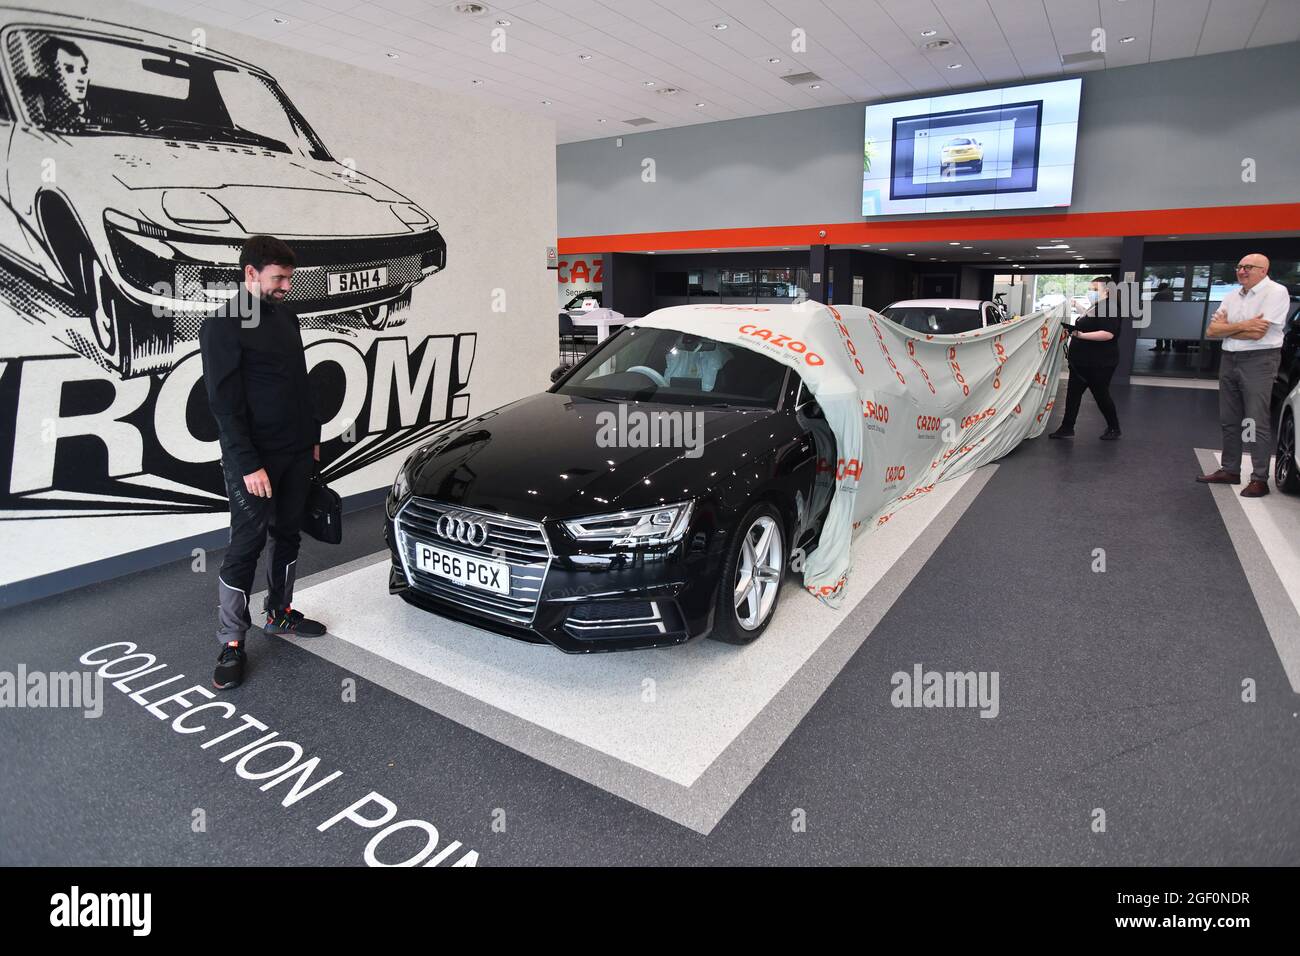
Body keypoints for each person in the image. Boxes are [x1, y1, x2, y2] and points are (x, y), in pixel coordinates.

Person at [200, 236, 327, 691]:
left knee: (288, 534)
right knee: (246, 545)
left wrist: (312, 437)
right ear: (250, 273)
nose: (286, 286)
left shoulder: (286, 316)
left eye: (288, 277)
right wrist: (248, 463)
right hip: (253, 461)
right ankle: (232, 640)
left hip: (295, 450)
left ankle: (279, 612)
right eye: (278, 278)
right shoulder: (222, 326)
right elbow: (224, 405)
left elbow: (300, 382)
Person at [1196, 253, 1290, 497]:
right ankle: (1230, 469)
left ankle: (1259, 478)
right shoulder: (1232, 295)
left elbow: (1259, 333)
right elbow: (1212, 330)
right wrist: (1242, 326)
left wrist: (1227, 329)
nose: (1242, 271)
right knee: (1229, 419)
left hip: (1259, 360)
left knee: (1254, 421)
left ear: (1264, 269)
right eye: (1239, 267)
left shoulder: (1276, 292)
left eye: (1249, 267)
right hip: (1229, 359)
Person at [1049, 276, 1122, 440]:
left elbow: (1107, 334)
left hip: (1099, 363)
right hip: (1081, 362)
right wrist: (1078, 306)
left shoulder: (1110, 307)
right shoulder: (1098, 306)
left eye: (1095, 289)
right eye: (1091, 289)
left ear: (1107, 290)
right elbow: (1091, 321)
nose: (1091, 292)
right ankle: (1067, 427)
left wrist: (1081, 335)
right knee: (1073, 394)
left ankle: (1114, 428)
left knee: (1101, 395)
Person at [1150, 282, 1174, 352]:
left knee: (1159, 331)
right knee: (1166, 331)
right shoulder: (1171, 293)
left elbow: (1153, 303)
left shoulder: (1160, 294)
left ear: (1161, 287)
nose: (1158, 288)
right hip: (1169, 315)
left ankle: (1159, 346)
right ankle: (1167, 346)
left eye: (1159, 286)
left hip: (1160, 315)